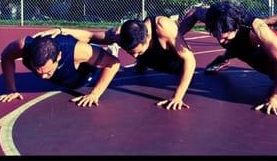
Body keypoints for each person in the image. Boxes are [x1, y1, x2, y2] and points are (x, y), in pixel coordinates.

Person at [36, 15, 197, 111]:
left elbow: (189, 59)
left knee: (181, 62)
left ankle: (144, 62)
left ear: (148, 37)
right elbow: (90, 36)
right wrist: (61, 31)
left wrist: (177, 97)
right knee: (140, 56)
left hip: (174, 63)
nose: (133, 54)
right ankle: (143, 62)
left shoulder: (164, 27)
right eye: (130, 52)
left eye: (137, 52)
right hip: (152, 59)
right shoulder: (118, 34)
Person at [178, 1, 277, 115]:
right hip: (241, 47)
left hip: (265, 48)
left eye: (225, 38)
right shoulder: (212, 17)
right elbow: (195, 12)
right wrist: (177, 37)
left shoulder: (257, 28)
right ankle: (224, 58)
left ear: (237, 27)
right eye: (216, 36)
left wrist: (274, 99)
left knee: (276, 72)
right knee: (237, 47)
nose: (220, 41)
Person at [0, 33, 120, 107]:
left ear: (59, 57)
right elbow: (6, 56)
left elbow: (113, 63)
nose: (43, 77)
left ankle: (110, 50)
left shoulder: (77, 51)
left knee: (102, 57)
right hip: (65, 75)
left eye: (48, 72)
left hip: (86, 76)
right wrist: (11, 90)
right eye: (38, 72)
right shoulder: (23, 46)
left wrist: (94, 94)